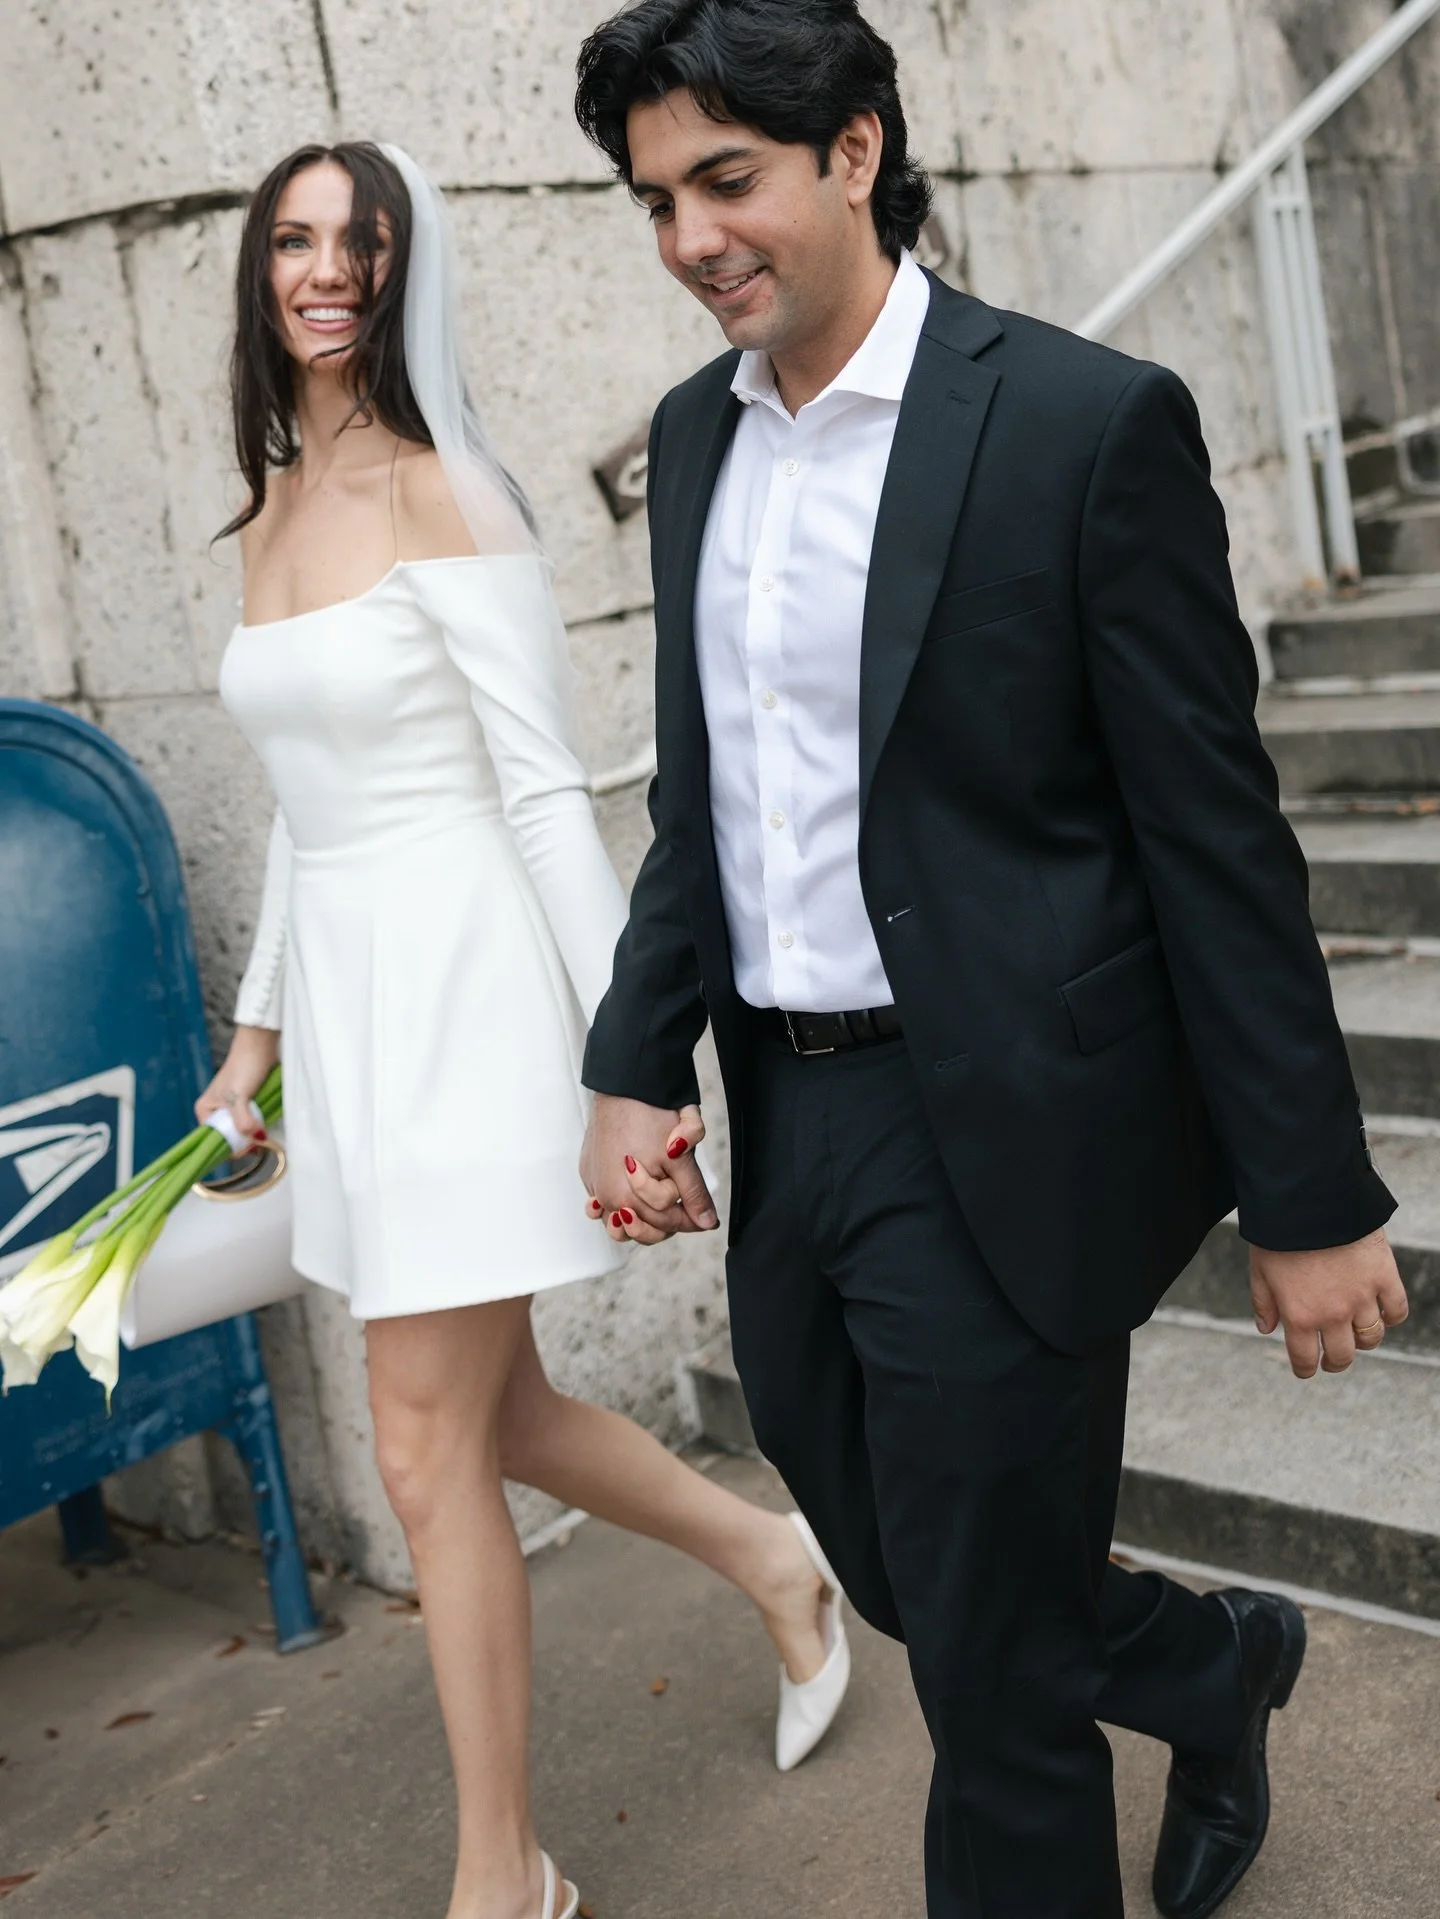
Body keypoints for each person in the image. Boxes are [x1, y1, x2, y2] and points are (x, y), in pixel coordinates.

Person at [572, 5, 1410, 1916]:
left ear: (856, 150)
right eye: (656, 201)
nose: (691, 238)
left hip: (1006, 1119)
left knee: (994, 1685)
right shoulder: (698, 438)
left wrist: (1307, 1190)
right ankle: (1210, 1667)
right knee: (914, 1567)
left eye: (726, 180)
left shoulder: (1080, 424)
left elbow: (1213, 836)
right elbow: (708, 796)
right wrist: (637, 1051)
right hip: (792, 1111)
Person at [199, 138, 852, 1919]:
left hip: (470, 997)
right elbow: (305, 810)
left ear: (407, 270)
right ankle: (775, 1559)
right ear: (262, 269)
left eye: (362, 242)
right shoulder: (272, 504)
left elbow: (549, 798)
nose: (325, 270)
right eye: (295, 240)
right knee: (497, 1416)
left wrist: (637, 1060)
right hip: (354, 1014)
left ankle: (506, 1880)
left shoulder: (449, 492)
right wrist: (256, 1038)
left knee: (422, 1444)